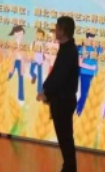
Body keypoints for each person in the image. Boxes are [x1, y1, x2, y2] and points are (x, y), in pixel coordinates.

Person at [38, 16, 80, 172]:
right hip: (61, 100)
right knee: (64, 139)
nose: (55, 30)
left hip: (63, 101)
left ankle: (69, 168)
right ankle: (68, 167)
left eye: (57, 27)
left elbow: (60, 77)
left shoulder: (69, 51)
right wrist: (46, 89)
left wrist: (46, 93)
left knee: (65, 139)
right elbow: (55, 73)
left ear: (63, 31)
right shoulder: (66, 48)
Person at [77, 32, 101, 116]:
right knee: (84, 94)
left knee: (90, 95)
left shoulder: (96, 48)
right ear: (86, 39)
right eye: (90, 39)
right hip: (85, 74)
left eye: (93, 39)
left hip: (94, 75)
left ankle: (79, 110)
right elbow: (80, 63)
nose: (91, 41)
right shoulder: (82, 48)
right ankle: (79, 112)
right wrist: (91, 67)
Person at [7, 25, 27, 104]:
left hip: (20, 62)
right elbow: (9, 52)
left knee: (21, 78)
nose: (19, 35)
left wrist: (22, 53)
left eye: (21, 33)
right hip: (13, 61)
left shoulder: (23, 44)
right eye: (18, 33)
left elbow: (26, 54)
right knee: (9, 75)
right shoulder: (12, 42)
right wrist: (15, 52)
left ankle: (21, 98)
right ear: (14, 34)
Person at [30, 28, 47, 93]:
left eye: (41, 35)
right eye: (38, 34)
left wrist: (43, 59)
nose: (39, 36)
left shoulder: (43, 44)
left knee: (40, 75)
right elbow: (31, 50)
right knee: (31, 71)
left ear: (43, 36)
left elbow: (45, 52)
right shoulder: (33, 42)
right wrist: (31, 57)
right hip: (34, 59)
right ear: (36, 35)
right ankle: (34, 76)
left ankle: (39, 90)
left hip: (40, 60)